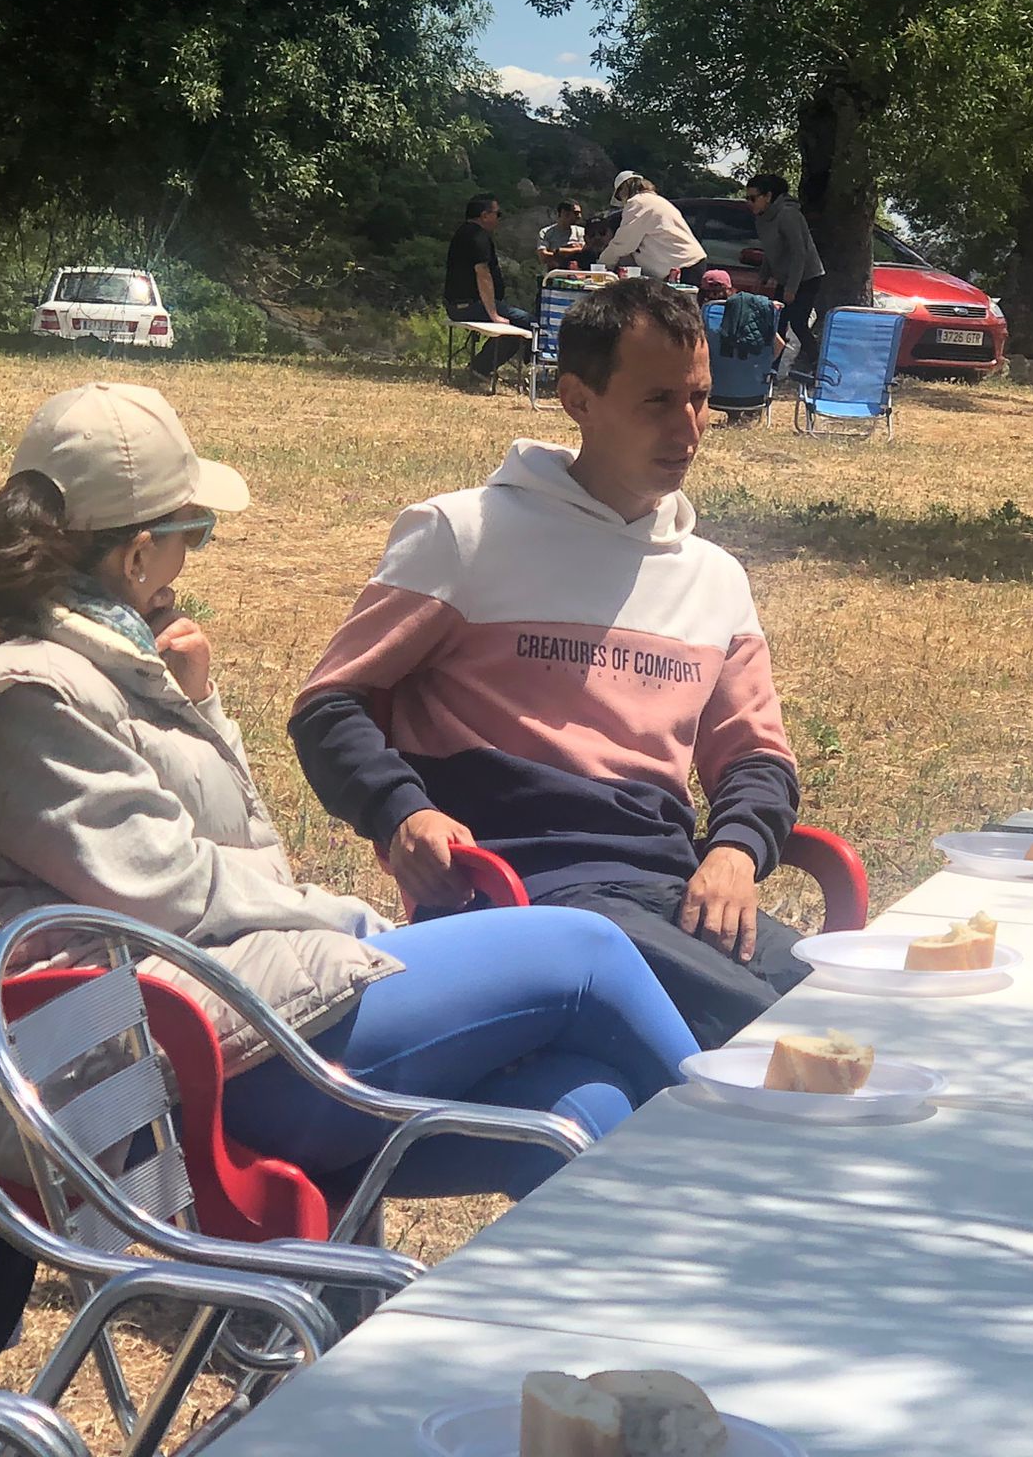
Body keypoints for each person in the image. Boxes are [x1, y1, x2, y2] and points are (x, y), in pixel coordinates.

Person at [0, 381, 697, 1199]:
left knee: (583, 1108)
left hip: (173, 1030)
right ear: (139, 551)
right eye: (196, 531)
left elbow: (234, 852)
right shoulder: (21, 697)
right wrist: (350, 921)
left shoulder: (83, 667)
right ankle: (775, 1182)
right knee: (585, 956)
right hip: (108, 1079)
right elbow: (167, 890)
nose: (193, 557)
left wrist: (196, 699)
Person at [292, 282, 808, 1048]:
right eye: (658, 400)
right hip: (520, 896)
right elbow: (330, 706)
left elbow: (759, 757)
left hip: (671, 894)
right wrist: (404, 812)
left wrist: (734, 850)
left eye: (700, 398)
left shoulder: (714, 577)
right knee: (784, 1040)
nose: (689, 428)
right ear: (577, 400)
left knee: (853, 1001)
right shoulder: (463, 535)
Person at [444, 193, 533, 389]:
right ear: (484, 215)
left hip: (461, 303)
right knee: (526, 322)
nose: (498, 219)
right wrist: (493, 314)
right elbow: (482, 274)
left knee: (519, 320)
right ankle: (482, 368)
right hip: (469, 305)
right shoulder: (478, 236)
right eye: (497, 214)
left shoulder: (464, 232)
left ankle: (483, 367)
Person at [744, 173, 826, 371]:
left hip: (807, 276)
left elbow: (800, 253)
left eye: (753, 198)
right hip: (785, 277)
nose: (749, 203)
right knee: (776, 322)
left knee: (798, 322)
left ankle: (818, 365)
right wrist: (762, 276)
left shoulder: (788, 215)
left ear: (768, 196)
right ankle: (771, 369)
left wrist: (792, 288)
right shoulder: (762, 219)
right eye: (747, 198)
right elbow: (771, 251)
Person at [597, 172, 708, 287]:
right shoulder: (656, 201)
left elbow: (624, 244)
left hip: (682, 267)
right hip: (687, 263)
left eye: (619, 196)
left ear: (624, 190)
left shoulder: (638, 202)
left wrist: (603, 264)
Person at [537, 200, 588, 270]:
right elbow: (543, 256)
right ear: (565, 213)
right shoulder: (546, 232)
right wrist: (574, 250)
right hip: (554, 273)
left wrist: (560, 252)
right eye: (576, 213)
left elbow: (586, 252)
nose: (579, 216)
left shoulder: (582, 231)